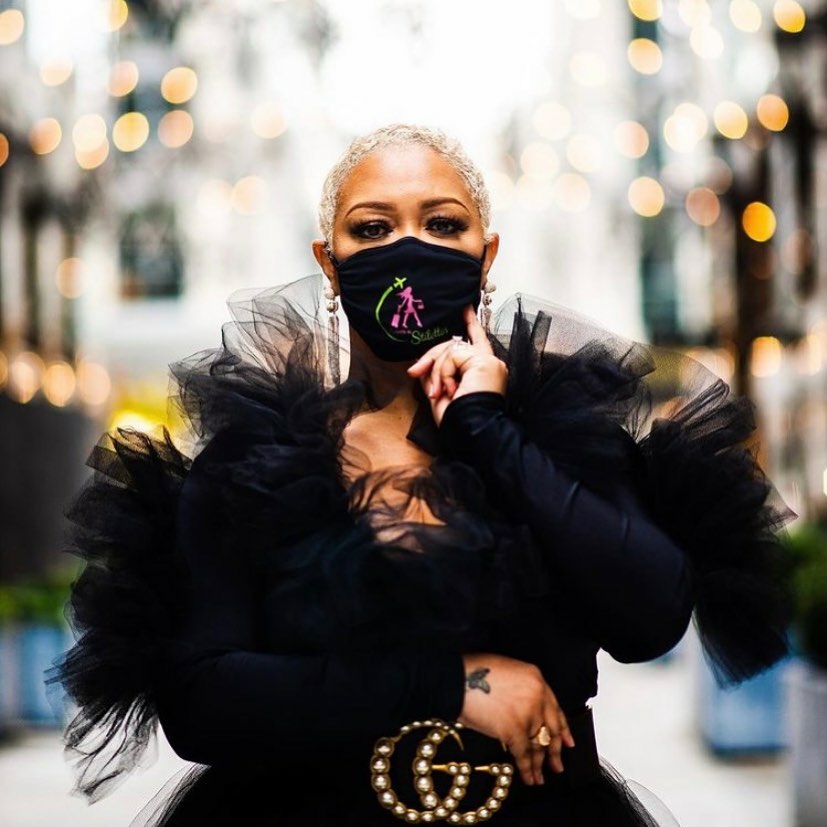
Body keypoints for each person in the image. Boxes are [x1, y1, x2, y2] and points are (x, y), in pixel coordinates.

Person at [53, 124, 793, 826]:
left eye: (442, 224)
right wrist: (445, 683)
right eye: (372, 229)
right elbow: (199, 704)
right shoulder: (257, 461)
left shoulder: (563, 437)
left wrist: (489, 433)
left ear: (486, 254)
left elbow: (648, 620)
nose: (408, 249)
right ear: (329, 263)